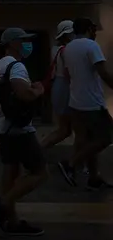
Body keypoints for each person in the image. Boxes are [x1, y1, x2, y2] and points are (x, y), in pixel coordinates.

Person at [0, 28, 47, 237]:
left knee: (10, 171)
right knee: (39, 172)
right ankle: (3, 203)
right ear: (11, 43)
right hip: (20, 129)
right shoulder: (17, 66)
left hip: (3, 127)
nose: (27, 44)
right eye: (23, 41)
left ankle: (11, 222)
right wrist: (38, 90)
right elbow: (25, 94)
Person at [57, 17, 113, 190]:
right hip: (92, 102)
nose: (96, 32)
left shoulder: (69, 48)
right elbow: (102, 72)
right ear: (89, 29)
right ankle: (72, 164)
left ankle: (94, 178)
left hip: (76, 101)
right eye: (94, 29)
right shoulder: (91, 46)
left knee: (90, 139)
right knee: (107, 137)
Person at [40, 20, 75, 150]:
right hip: (66, 88)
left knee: (64, 130)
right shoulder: (66, 50)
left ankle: (38, 150)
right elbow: (68, 73)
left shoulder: (56, 49)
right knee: (74, 129)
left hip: (59, 87)